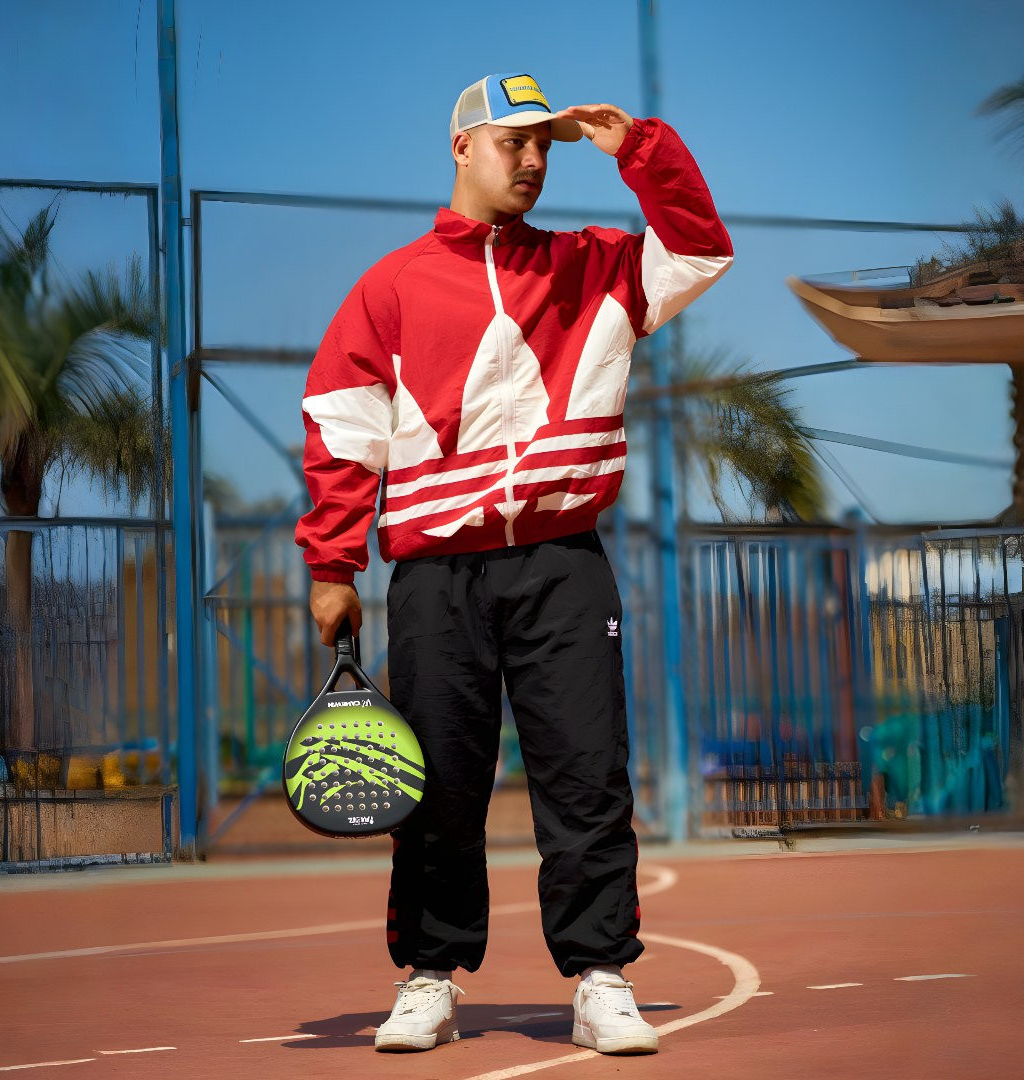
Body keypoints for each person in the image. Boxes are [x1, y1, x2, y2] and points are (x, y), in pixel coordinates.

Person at [296, 71, 732, 1055]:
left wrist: (639, 151)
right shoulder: (392, 286)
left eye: (544, 145)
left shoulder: (598, 265)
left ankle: (601, 977)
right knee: (438, 784)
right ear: (462, 148)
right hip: (435, 576)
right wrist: (331, 563)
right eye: (513, 143)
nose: (533, 161)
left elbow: (701, 249)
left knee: (587, 775)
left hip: (564, 565)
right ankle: (429, 977)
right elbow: (344, 428)